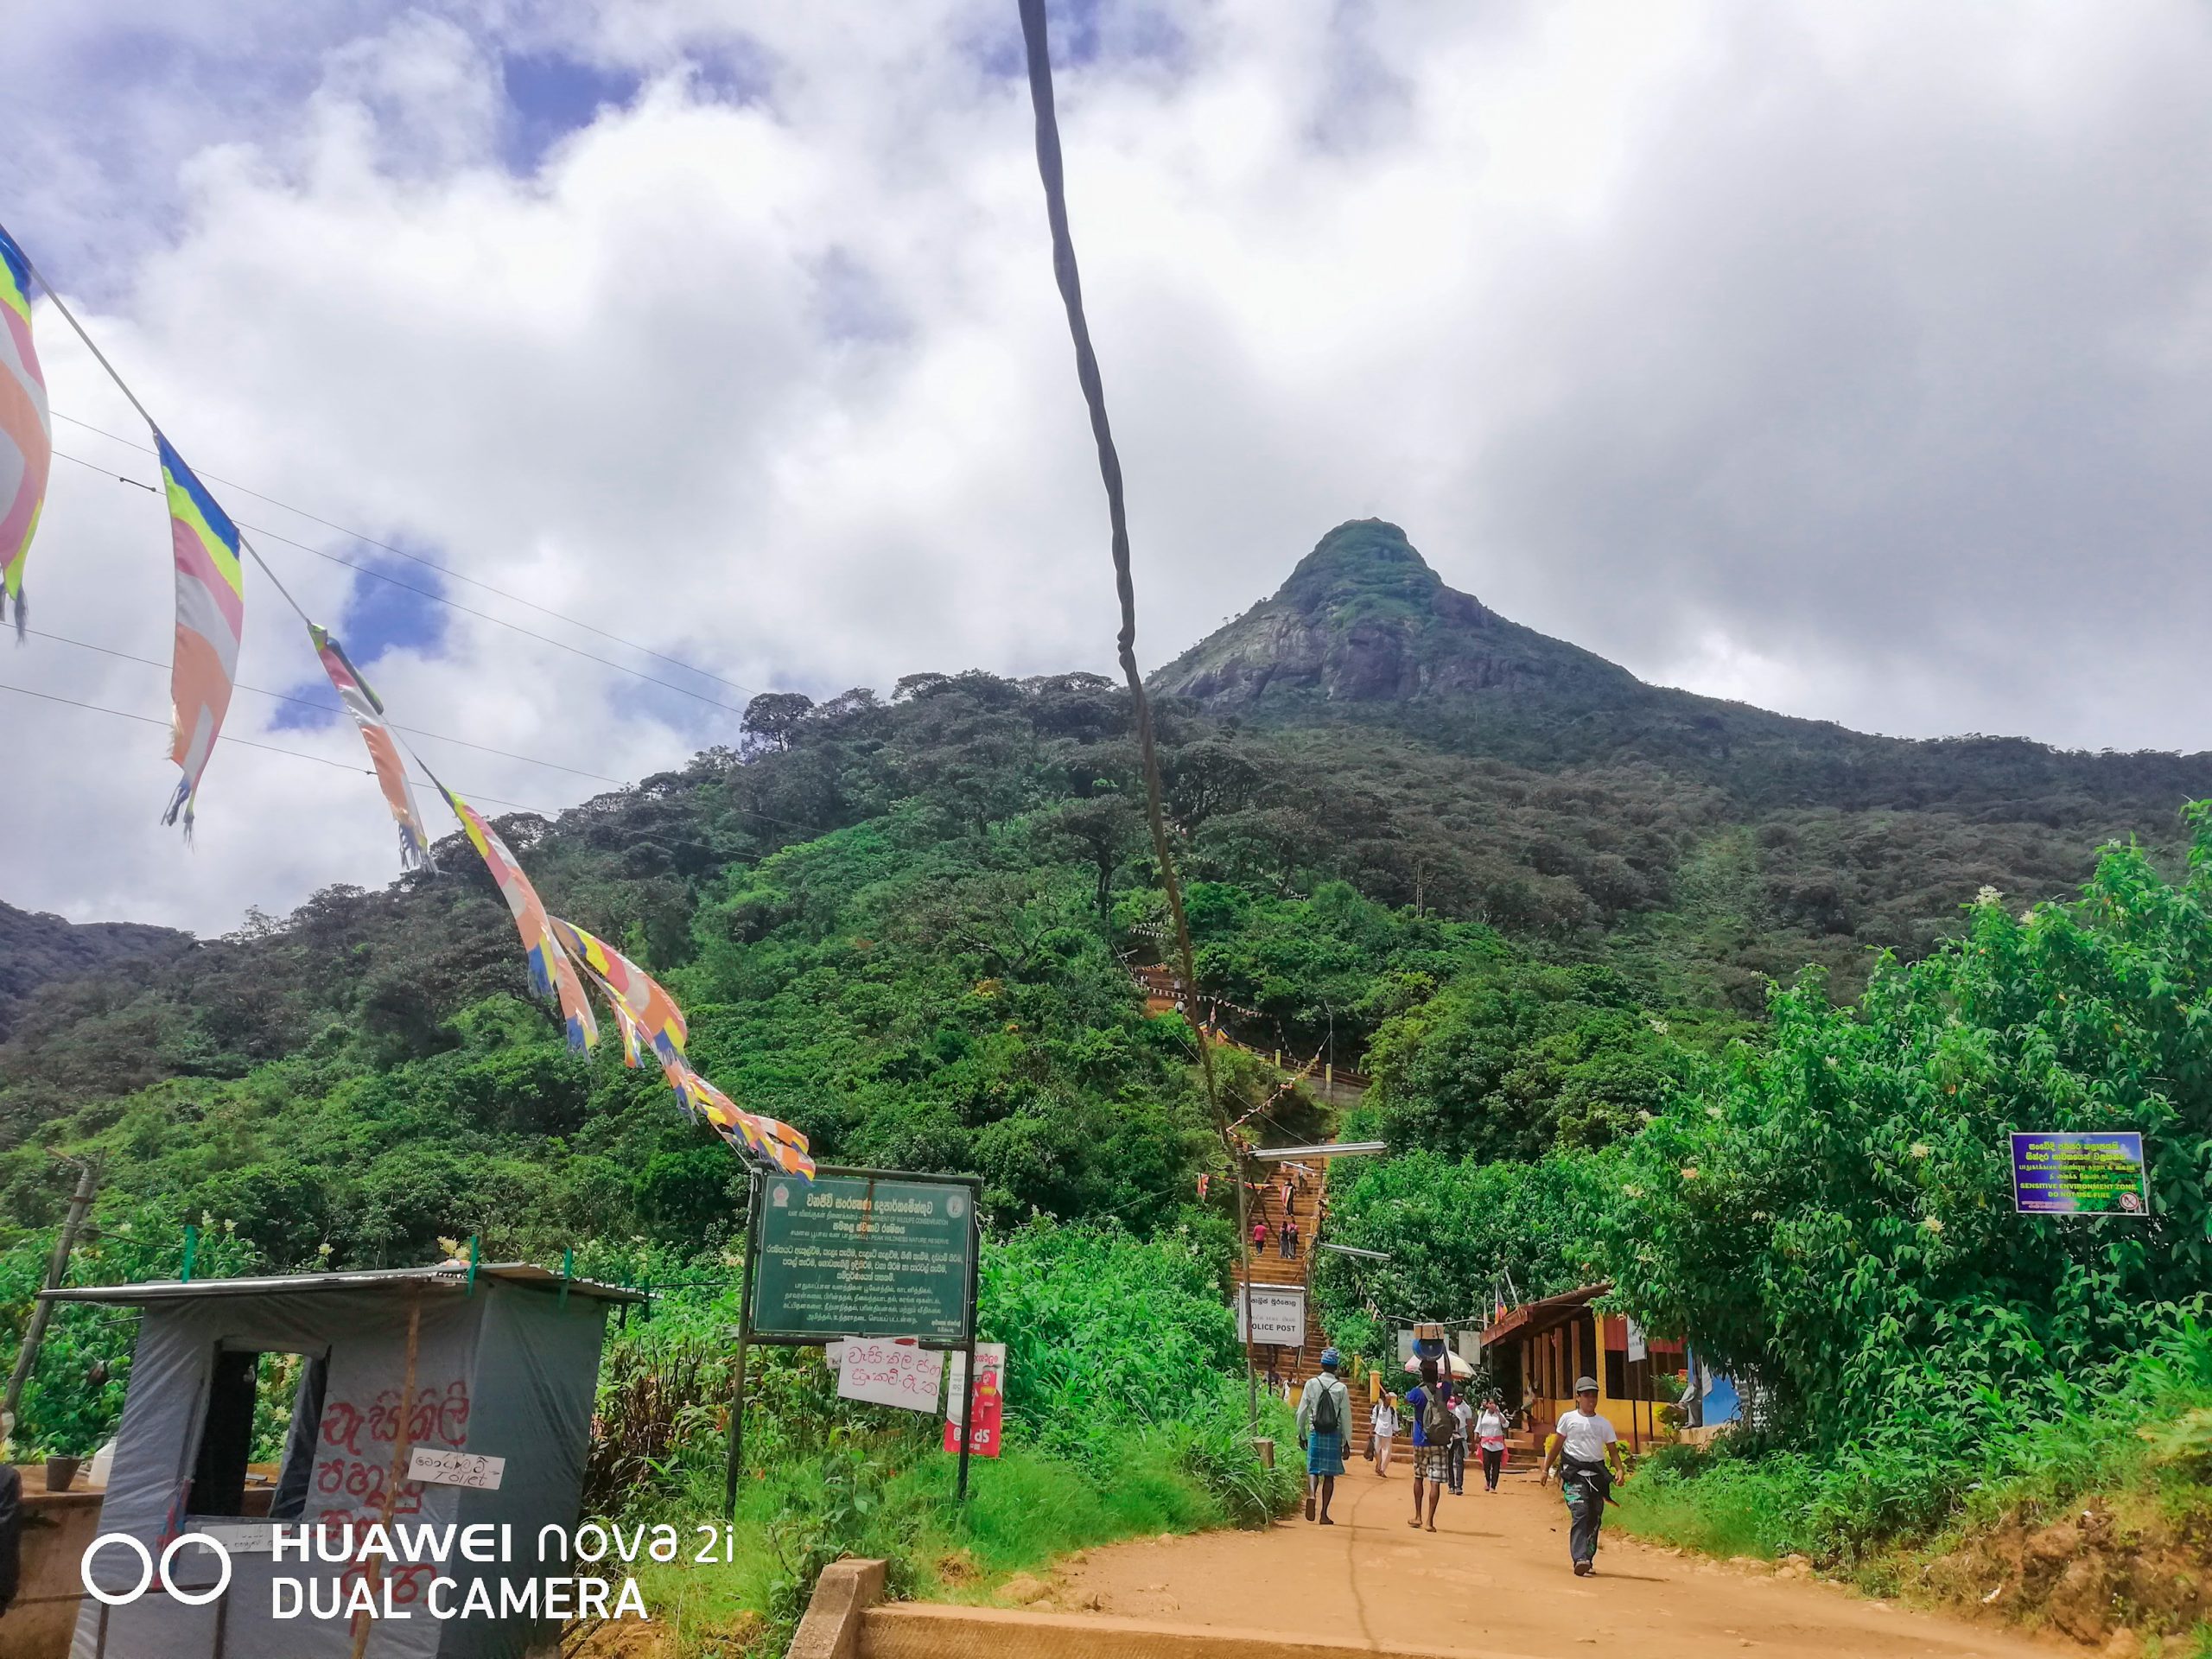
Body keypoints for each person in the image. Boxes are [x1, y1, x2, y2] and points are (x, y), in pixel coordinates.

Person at [1540, 1376, 1626, 1575]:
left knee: (1594, 1517)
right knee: (1580, 1512)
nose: (1591, 1400)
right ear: (1578, 1397)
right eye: (1586, 1396)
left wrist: (1619, 1470)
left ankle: (1587, 1557)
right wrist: (1546, 1469)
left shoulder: (1604, 1424)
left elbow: (1612, 1451)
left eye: (1594, 1396)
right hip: (1574, 1474)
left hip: (1596, 1477)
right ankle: (1579, 1558)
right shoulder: (1568, 1419)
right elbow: (1557, 1446)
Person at [1297, 1348, 1352, 1525]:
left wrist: (1302, 1433)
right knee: (1329, 1475)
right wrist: (1346, 1442)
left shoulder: (1311, 1384)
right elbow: (1346, 1417)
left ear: (1322, 1365)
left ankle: (1312, 1494)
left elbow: (1301, 1412)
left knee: (1313, 1469)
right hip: (1333, 1433)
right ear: (1336, 1367)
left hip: (1315, 1431)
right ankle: (1324, 1514)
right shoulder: (1341, 1388)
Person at [1404, 1359, 1454, 1530]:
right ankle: (1429, 1522)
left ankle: (1418, 1516)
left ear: (1422, 1373)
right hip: (1439, 1442)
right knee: (1435, 1482)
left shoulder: (1417, 1393)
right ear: (1437, 1375)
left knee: (1419, 1477)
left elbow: (1406, 1400)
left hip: (1421, 1442)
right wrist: (1445, 1359)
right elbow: (1449, 1378)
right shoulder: (1443, 1392)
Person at [1475, 1396, 1510, 1492]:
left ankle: (1493, 1486)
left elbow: (1506, 1424)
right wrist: (1476, 1437)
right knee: (1486, 1463)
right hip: (1486, 1443)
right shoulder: (1483, 1414)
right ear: (1487, 1405)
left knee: (1496, 1465)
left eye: (1493, 1403)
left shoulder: (1499, 1415)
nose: (1491, 1405)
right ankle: (1488, 1481)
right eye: (1490, 1403)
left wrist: (1498, 1414)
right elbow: (1478, 1427)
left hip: (1497, 1444)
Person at [1447, 1392, 1473, 1496]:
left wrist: (1472, 1440)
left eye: (1461, 1397)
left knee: (1459, 1460)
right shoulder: (1448, 1404)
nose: (1459, 1399)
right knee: (1449, 1461)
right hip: (1449, 1433)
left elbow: (1470, 1424)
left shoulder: (1466, 1408)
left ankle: (1459, 1486)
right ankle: (1451, 1485)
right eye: (1458, 1397)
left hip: (1461, 1434)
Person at [1370, 1389, 1399, 1477]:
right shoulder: (1378, 1408)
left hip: (1388, 1433)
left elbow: (1395, 1422)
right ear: (1383, 1400)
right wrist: (1371, 1430)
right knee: (1376, 1450)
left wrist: (1396, 1432)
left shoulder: (1392, 1410)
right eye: (1388, 1400)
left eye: (1390, 1400)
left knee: (1387, 1453)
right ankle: (1378, 1464)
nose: (1389, 1402)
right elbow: (1374, 1419)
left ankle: (1381, 1469)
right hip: (1378, 1432)